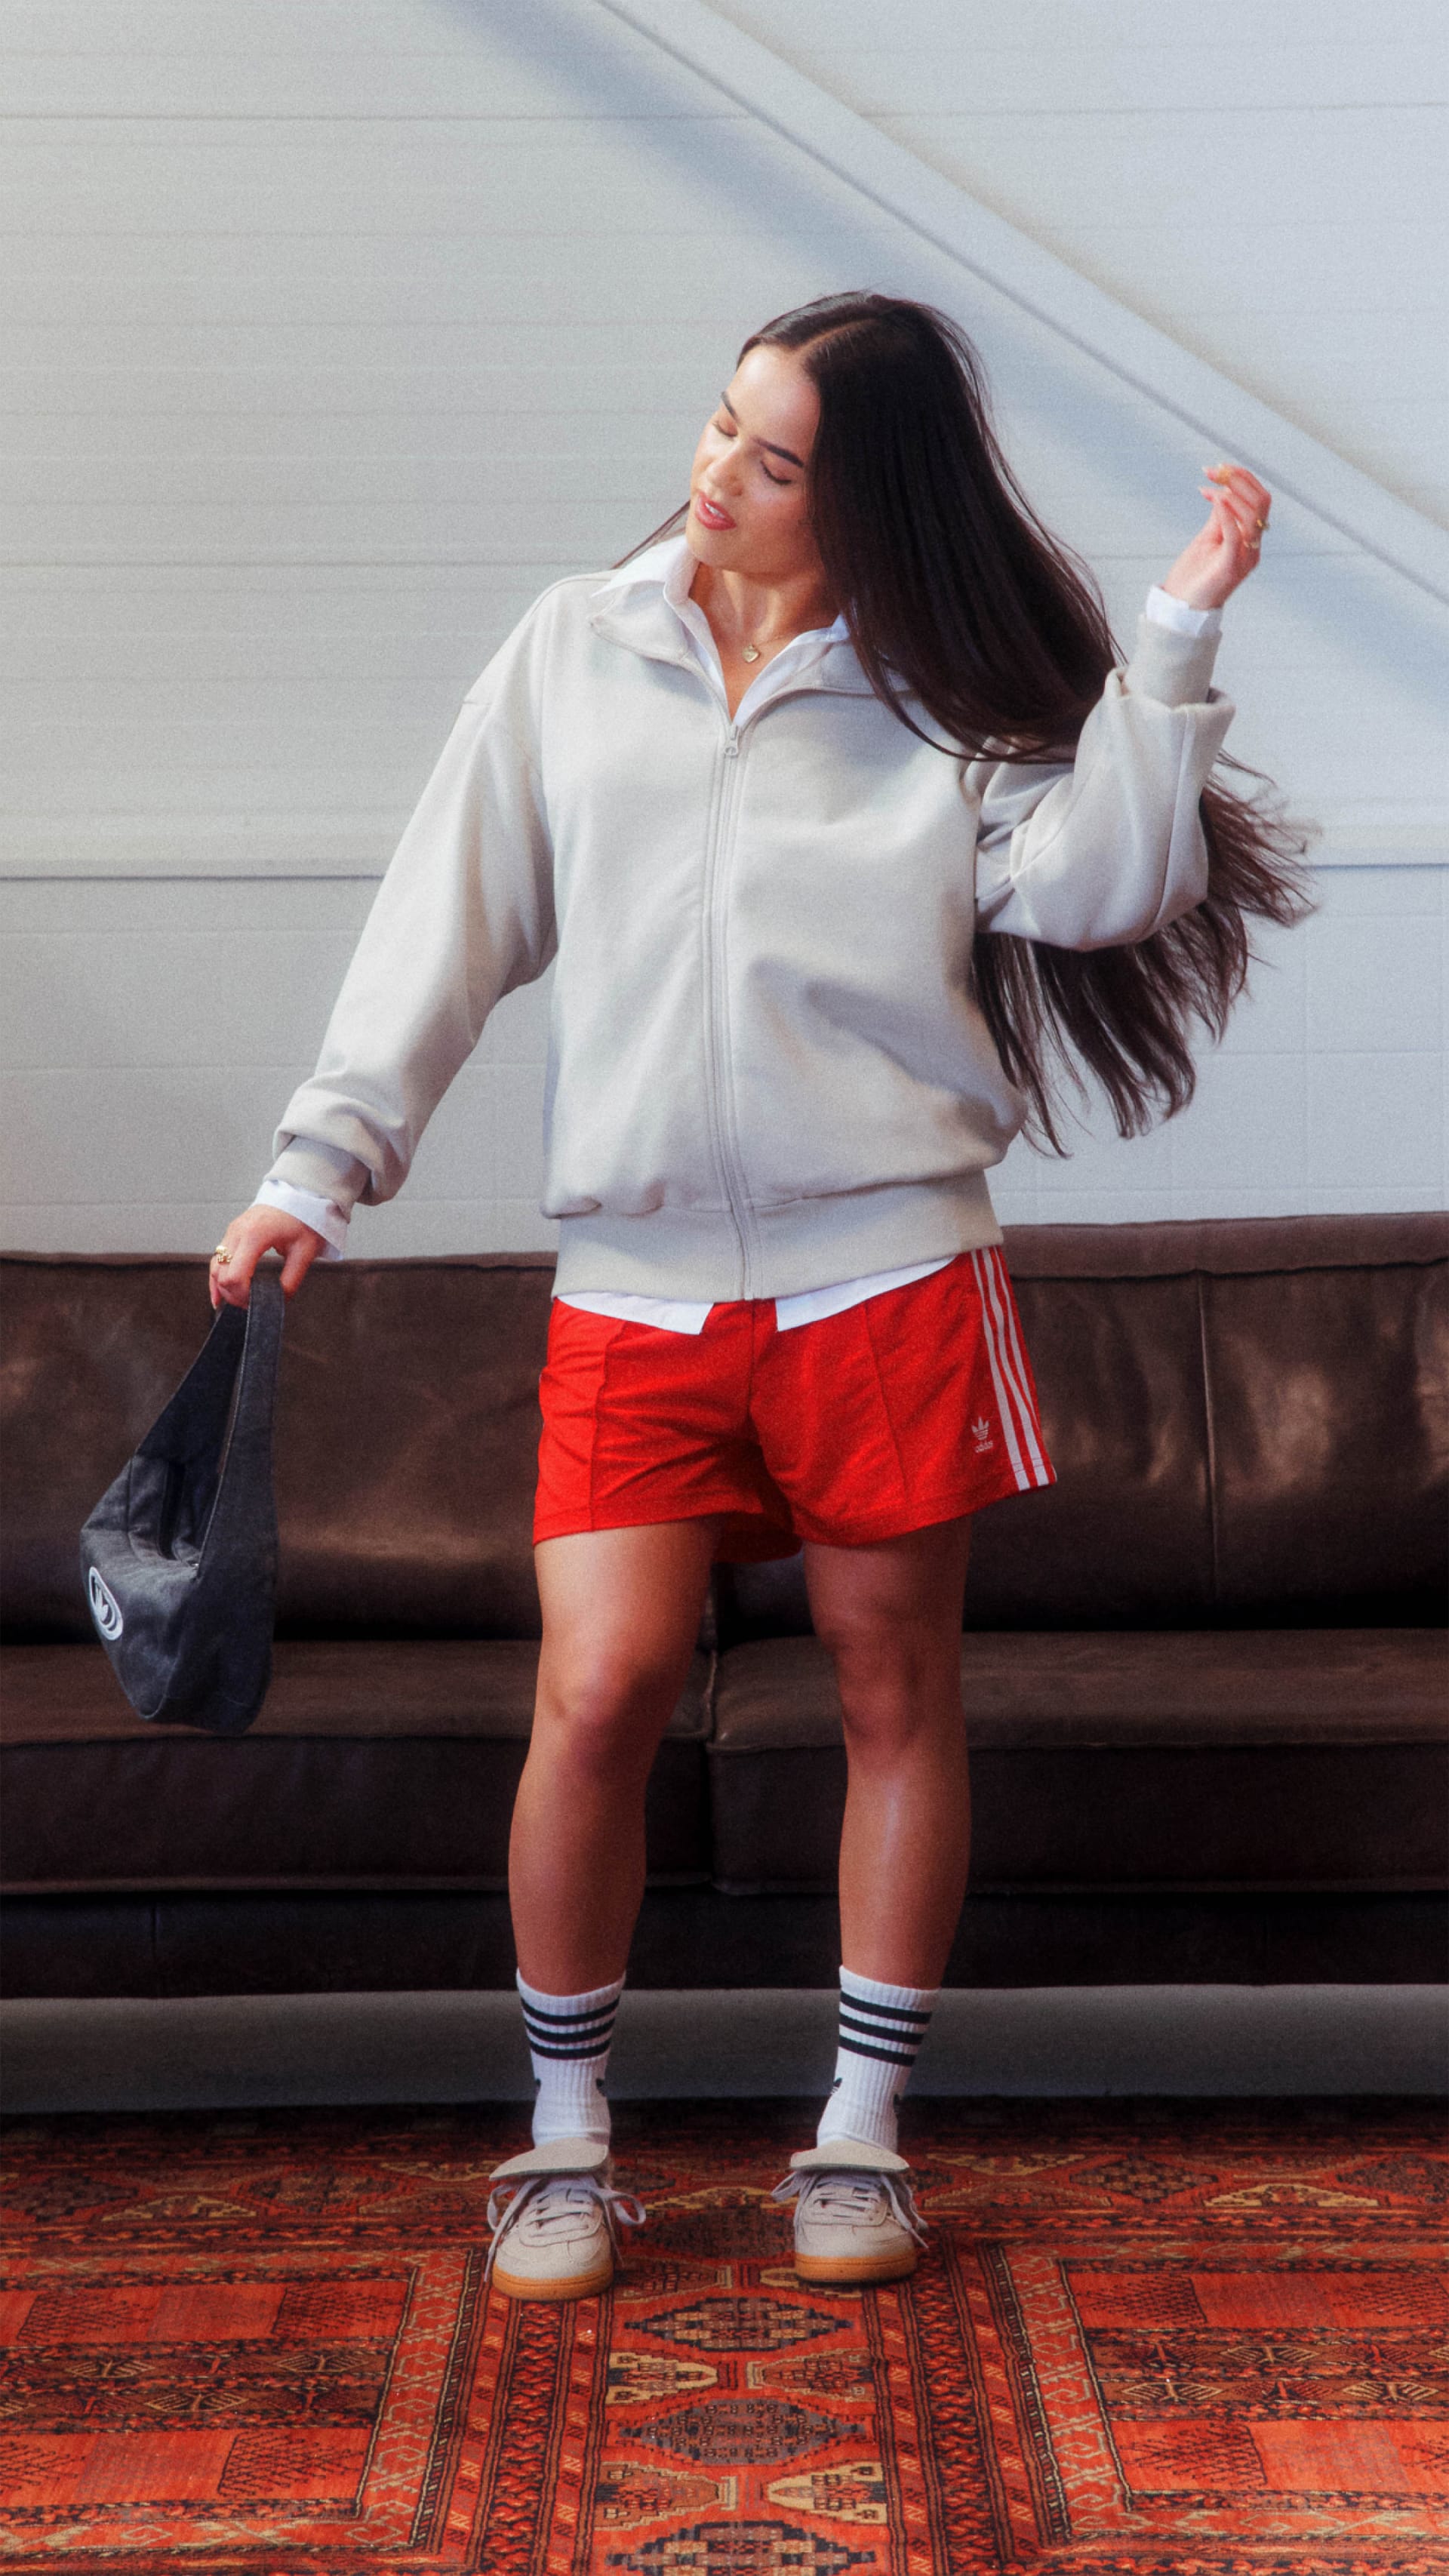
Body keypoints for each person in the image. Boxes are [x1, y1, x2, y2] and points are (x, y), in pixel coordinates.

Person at [210, 293, 1309, 2301]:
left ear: (859, 495)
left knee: (895, 1698)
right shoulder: (577, 651)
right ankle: (561, 2140)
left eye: (775, 458)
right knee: (600, 1685)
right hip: (637, 1281)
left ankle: (859, 2138)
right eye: (720, 427)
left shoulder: (929, 702)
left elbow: (1103, 886)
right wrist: (317, 1167)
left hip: (887, 1268)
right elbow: (441, 927)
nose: (715, 473)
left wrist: (1175, 643)